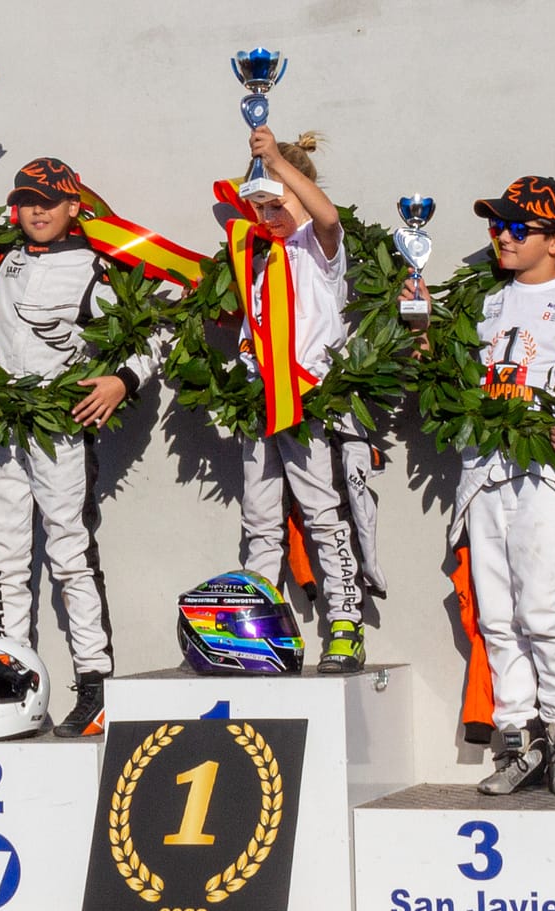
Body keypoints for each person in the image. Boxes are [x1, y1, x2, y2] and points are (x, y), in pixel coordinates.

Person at [0, 110, 153, 738]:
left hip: (60, 429)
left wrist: (122, 379)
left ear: (73, 205)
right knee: (5, 553)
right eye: (24, 202)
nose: (35, 211)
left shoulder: (99, 266)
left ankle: (95, 687)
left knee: (70, 553)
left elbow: (157, 326)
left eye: (47, 201)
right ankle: (14, 680)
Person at [405, 176, 555, 798]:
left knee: (542, 610)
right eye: (496, 226)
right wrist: (423, 329)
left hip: (549, 476)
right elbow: (447, 377)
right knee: (497, 613)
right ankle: (521, 740)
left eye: (516, 228)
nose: (502, 237)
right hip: (484, 473)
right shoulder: (481, 304)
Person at [227, 127, 366, 674]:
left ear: (301, 191)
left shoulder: (317, 249)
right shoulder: (256, 262)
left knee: (322, 514)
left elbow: (328, 218)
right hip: (263, 404)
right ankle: (261, 629)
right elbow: (253, 330)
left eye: (278, 199)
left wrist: (277, 166)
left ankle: (344, 625)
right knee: (260, 519)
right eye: (257, 203)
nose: (268, 212)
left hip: (309, 402)